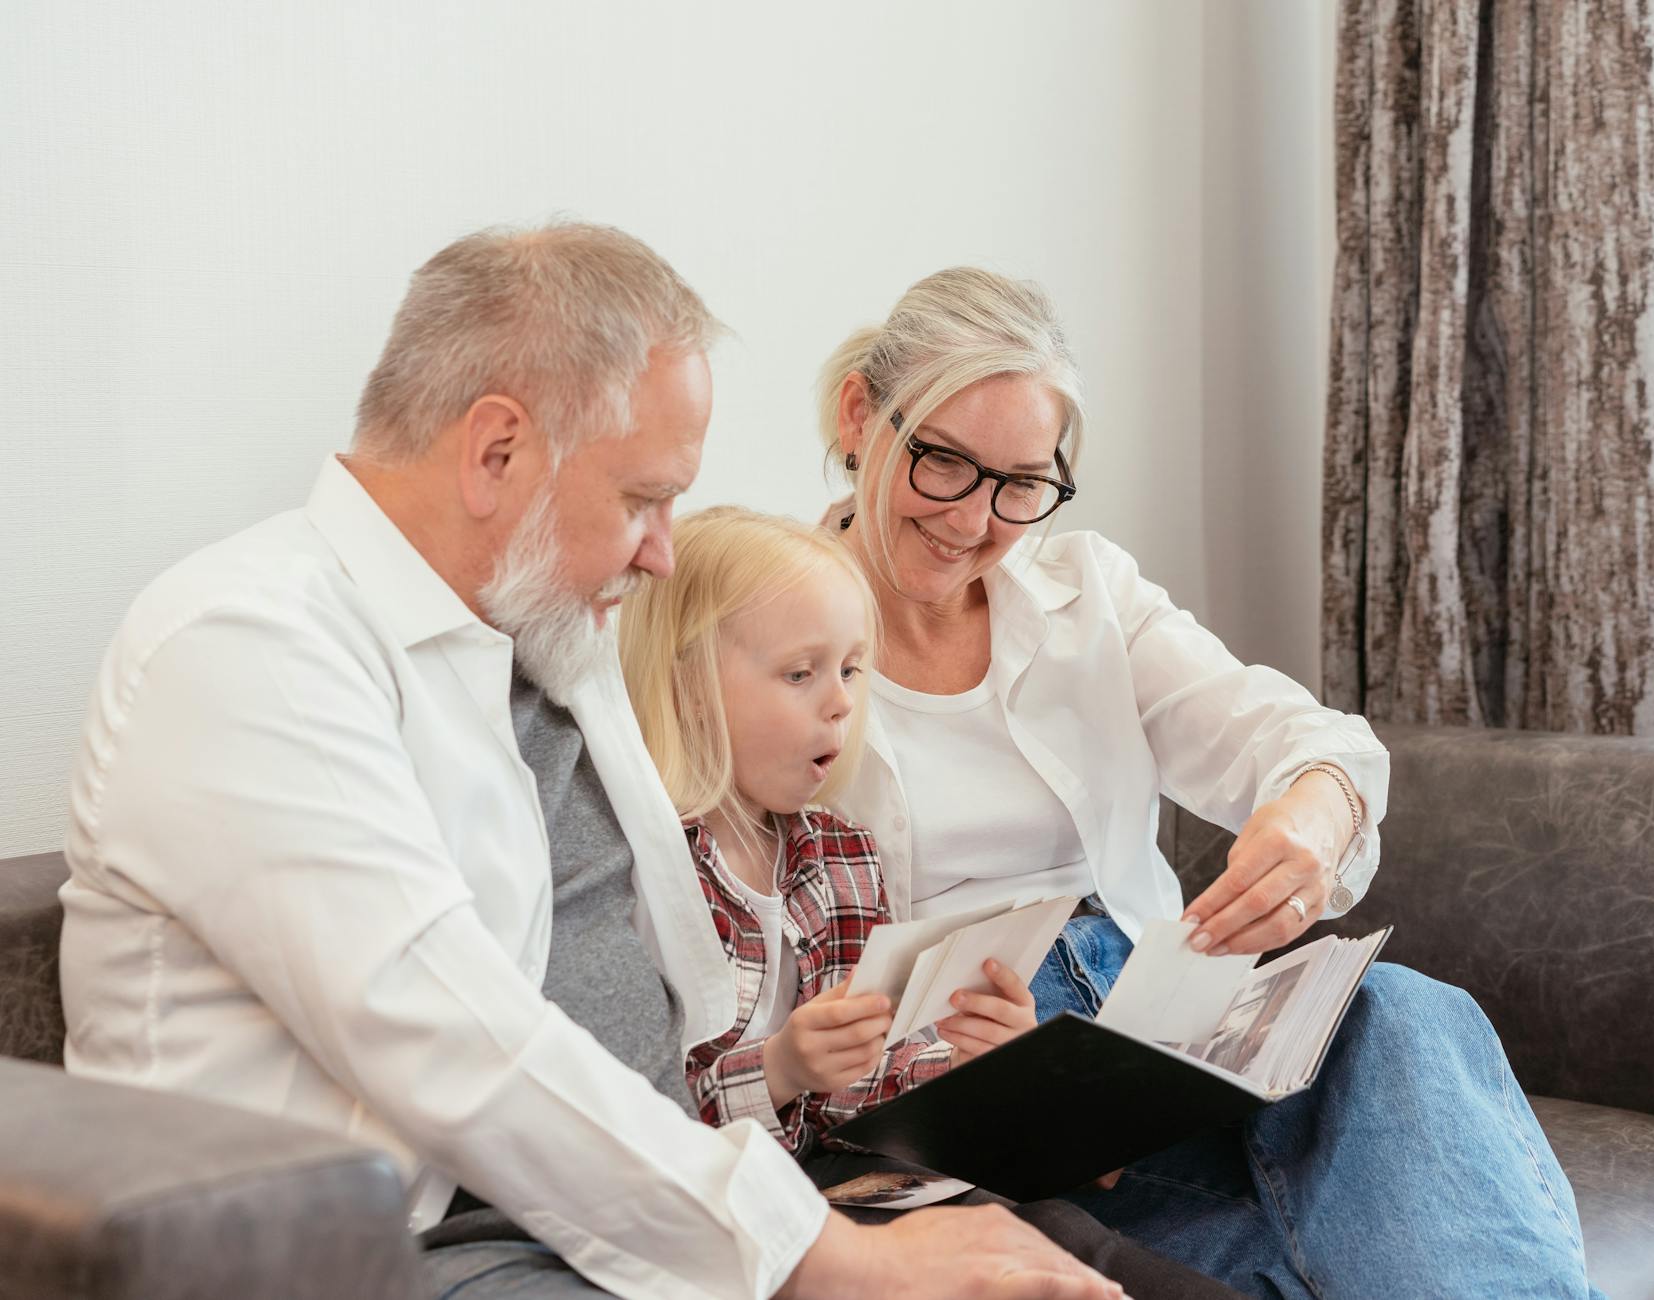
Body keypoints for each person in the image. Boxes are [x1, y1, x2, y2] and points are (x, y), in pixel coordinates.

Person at [58, 223, 1127, 1300]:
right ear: (497, 452)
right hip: (371, 1253)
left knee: (1066, 1267)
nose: (663, 551)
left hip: (587, 1216)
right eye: (641, 500)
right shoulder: (249, 645)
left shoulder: (543, 648)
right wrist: (827, 1257)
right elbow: (455, 1044)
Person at [814, 267, 1605, 1299]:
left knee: (1403, 1014)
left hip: (1158, 1030)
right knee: (1349, 1242)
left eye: (1022, 484)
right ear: (859, 415)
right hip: (971, 1078)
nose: (976, 519)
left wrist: (1313, 816)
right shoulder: (760, 628)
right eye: (945, 463)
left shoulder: (1086, 591)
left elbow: (1298, 737)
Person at [619, 506, 1246, 1299]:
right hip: (737, 1206)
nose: (840, 704)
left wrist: (968, 1060)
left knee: (1065, 1240)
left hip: (862, 1173)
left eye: (852, 671)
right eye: (800, 673)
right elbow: (629, 1115)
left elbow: (869, 1081)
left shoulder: (841, 854)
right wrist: (779, 1070)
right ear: (688, 684)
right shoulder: (644, 873)